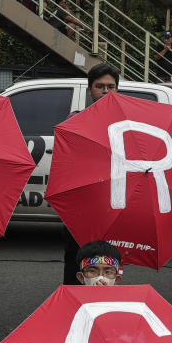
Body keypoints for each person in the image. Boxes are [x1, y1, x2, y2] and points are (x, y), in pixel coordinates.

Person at [60, 63, 120, 285]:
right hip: (80, 203)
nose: (106, 91)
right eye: (100, 86)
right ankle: (72, 300)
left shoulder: (127, 123)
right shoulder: (74, 120)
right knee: (76, 255)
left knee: (111, 256)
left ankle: (105, 302)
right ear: (89, 90)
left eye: (111, 86)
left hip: (112, 201)